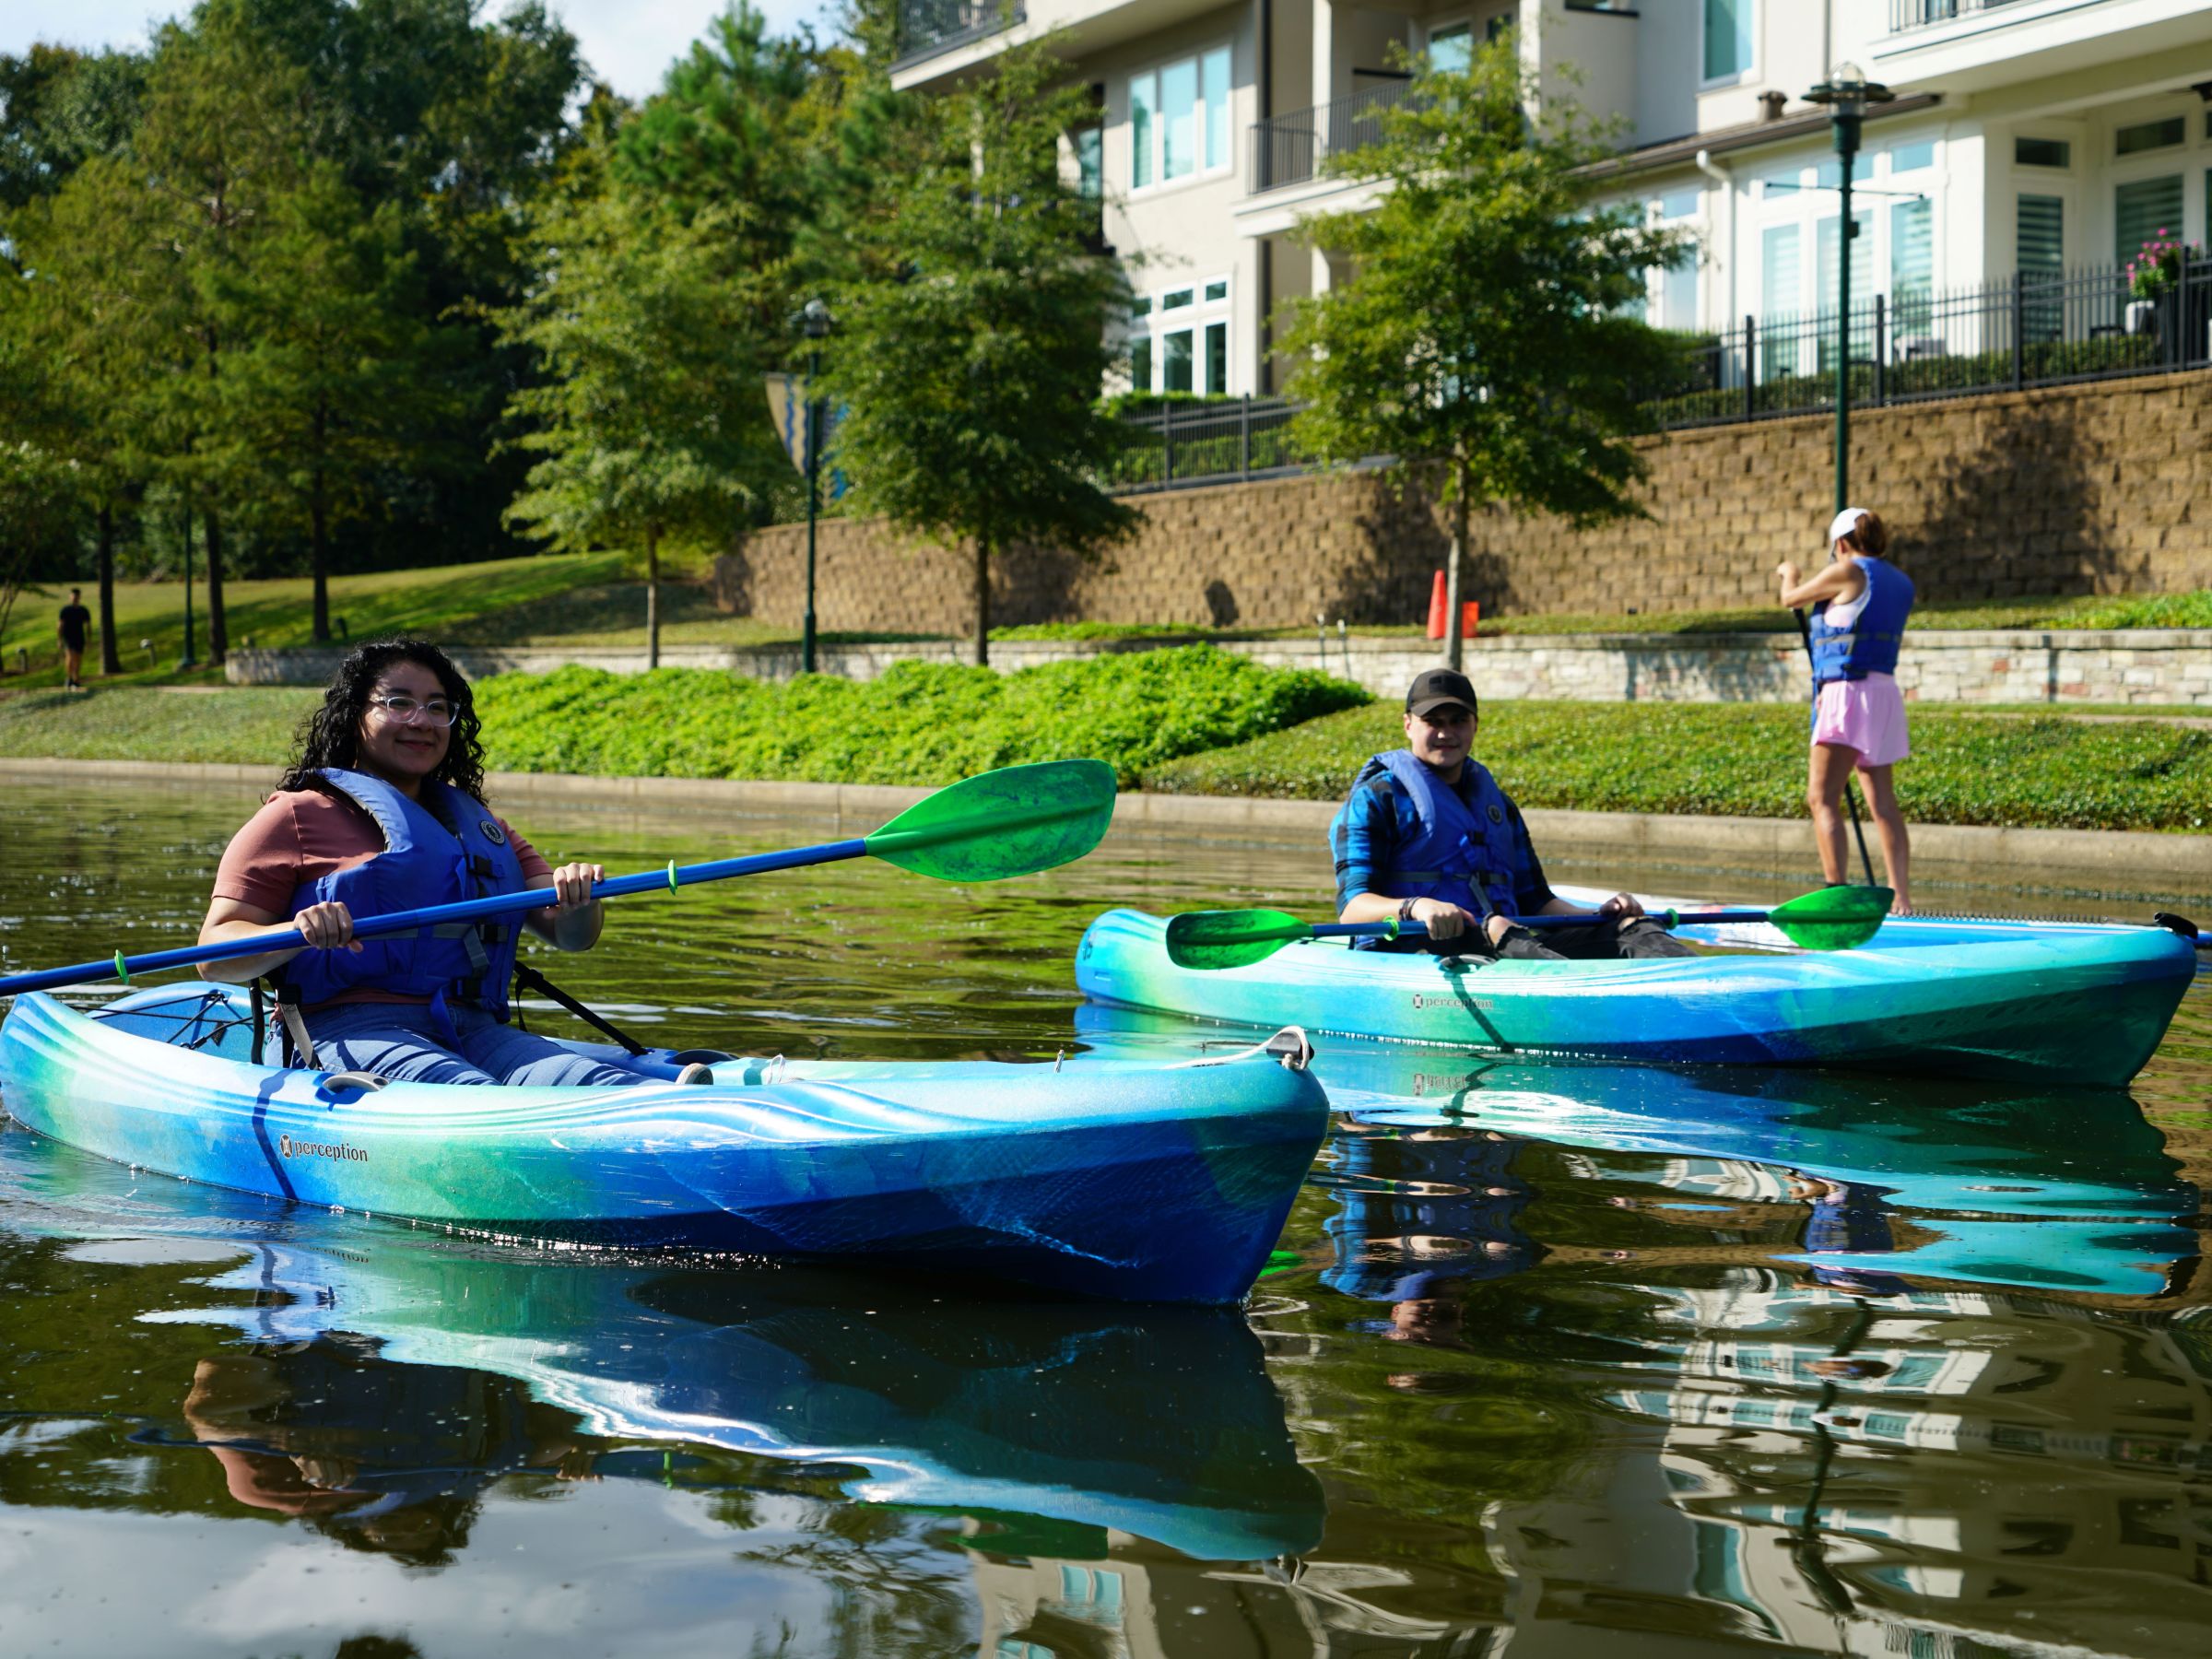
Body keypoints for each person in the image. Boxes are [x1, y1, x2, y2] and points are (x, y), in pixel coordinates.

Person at [196, 638, 696, 1087]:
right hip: (349, 1030)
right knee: (476, 1098)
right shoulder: (294, 815)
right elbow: (213, 953)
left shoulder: (482, 829)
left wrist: (580, 898)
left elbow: (570, 935)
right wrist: (295, 931)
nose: (421, 721)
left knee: (601, 1086)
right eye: (399, 703)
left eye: (438, 708)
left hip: (477, 1029)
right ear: (354, 714)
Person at [1330, 667, 1694, 960]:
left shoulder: (1498, 806)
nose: (1446, 732)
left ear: (1475, 725)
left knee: (1632, 927)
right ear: (1409, 724)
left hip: (1507, 942)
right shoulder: (1377, 799)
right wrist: (1416, 907)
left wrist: (1603, 914)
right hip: (1412, 951)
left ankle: (1704, 988)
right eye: (1433, 721)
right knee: (1499, 929)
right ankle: (1581, 1004)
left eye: (1458, 720)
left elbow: (1537, 902)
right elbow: (1353, 908)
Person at [1776, 507, 1913, 914]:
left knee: (1821, 798)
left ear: (1841, 543)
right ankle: (1901, 898)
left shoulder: (1848, 570)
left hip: (1846, 694)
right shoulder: (1901, 581)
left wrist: (1789, 573)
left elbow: (1790, 599)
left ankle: (1835, 894)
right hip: (1884, 693)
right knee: (1883, 802)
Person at [56, 587, 90, 690]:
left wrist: (89, 639)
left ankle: (76, 679)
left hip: (79, 637)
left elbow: (88, 625)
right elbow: (60, 625)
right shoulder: (65, 610)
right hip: (68, 637)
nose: (75, 598)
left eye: (77, 596)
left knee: (78, 659)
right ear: (70, 596)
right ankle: (69, 678)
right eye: (73, 595)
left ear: (79, 597)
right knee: (70, 657)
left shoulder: (83, 610)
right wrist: (59, 639)